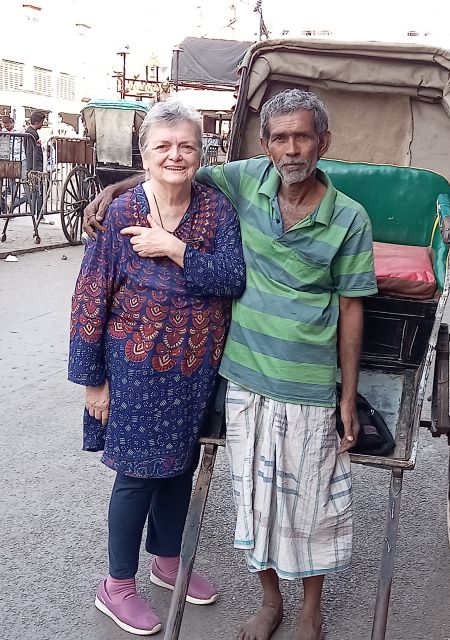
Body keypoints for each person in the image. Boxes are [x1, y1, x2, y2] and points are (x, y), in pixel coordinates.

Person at [84, 89, 377, 640]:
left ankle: (309, 609)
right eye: (280, 138)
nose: (292, 149)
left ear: (324, 141)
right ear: (264, 145)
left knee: (309, 503)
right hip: (229, 377)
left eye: (303, 136)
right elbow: (173, 171)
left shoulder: (345, 217)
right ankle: (262, 601)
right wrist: (117, 188)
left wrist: (346, 396)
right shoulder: (243, 182)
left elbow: (345, 306)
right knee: (249, 498)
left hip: (292, 381)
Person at [69, 100, 245, 636]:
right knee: (138, 474)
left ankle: (167, 562)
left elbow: (231, 278)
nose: (175, 156)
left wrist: (173, 248)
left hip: (194, 370)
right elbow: (90, 298)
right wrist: (93, 382)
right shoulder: (121, 213)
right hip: (135, 369)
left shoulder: (215, 210)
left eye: (186, 146)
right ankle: (116, 584)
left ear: (201, 154)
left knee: (180, 468)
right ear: (143, 155)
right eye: (163, 146)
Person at [23, 110, 53, 223]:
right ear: (37, 122)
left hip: (35, 165)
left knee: (35, 191)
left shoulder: (31, 132)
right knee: (39, 190)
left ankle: (15, 205)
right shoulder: (31, 133)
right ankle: (39, 215)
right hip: (35, 166)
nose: (42, 124)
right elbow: (31, 152)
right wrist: (35, 167)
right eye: (41, 122)